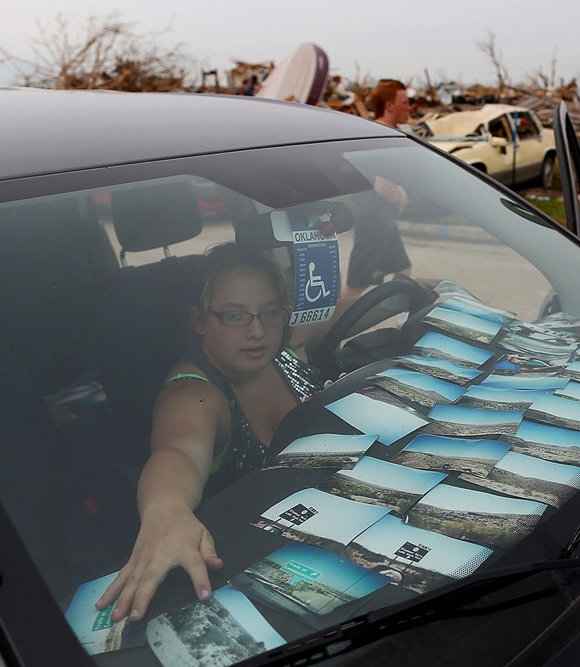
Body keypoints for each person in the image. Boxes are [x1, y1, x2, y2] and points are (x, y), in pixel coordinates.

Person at [95, 243, 346, 622]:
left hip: (334, 522)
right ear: (198, 321)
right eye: (234, 316)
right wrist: (166, 510)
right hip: (271, 573)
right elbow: (177, 451)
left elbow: (338, 312)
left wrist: (423, 291)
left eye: (269, 313)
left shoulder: (283, 346)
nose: (257, 331)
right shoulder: (194, 394)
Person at [341, 79, 413, 299]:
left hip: (381, 219)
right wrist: (401, 197)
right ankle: (326, 328)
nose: (409, 107)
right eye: (405, 102)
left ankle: (404, 324)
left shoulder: (377, 131)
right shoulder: (383, 136)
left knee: (404, 270)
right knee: (355, 287)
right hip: (373, 220)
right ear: (390, 106)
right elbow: (383, 186)